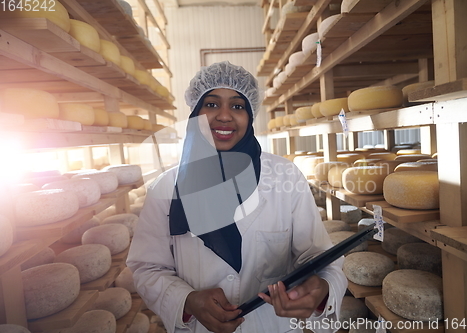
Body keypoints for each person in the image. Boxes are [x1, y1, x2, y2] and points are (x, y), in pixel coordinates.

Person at [127, 61, 347, 333]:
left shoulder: (285, 177)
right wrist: (188, 300)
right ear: (195, 113)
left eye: (237, 106)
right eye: (211, 104)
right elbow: (147, 267)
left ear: (250, 115)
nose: (224, 116)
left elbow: (320, 258)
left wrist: (321, 289)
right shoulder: (166, 187)